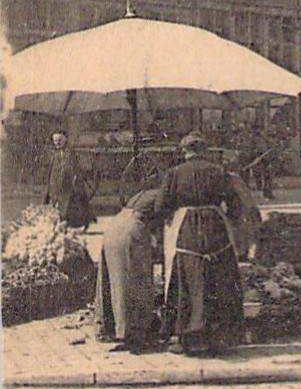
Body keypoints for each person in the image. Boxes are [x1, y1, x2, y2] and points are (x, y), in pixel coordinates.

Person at [143, 134, 245, 356]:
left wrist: (171, 218)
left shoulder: (174, 174)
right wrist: (226, 218)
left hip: (186, 227)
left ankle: (189, 336)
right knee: (219, 277)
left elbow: (160, 207)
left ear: (184, 152)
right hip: (216, 227)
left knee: (187, 279)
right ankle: (220, 337)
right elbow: (236, 205)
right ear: (205, 150)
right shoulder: (219, 172)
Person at [96, 186, 163, 352]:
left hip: (114, 227)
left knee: (116, 282)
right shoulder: (165, 196)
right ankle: (134, 335)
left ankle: (113, 328)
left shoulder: (145, 194)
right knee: (136, 282)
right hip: (131, 231)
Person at [44, 133, 92, 229]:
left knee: (72, 204)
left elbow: (74, 168)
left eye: (60, 140)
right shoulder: (54, 153)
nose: (57, 143)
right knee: (58, 203)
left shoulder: (69, 153)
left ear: (65, 140)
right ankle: (63, 222)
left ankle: (76, 223)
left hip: (69, 183)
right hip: (57, 183)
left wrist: (74, 180)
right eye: (55, 141)